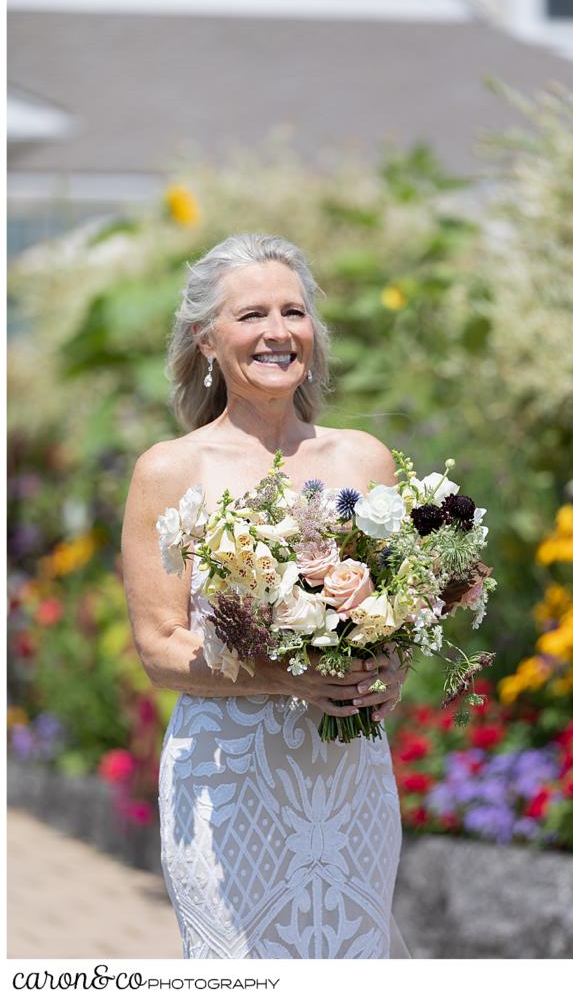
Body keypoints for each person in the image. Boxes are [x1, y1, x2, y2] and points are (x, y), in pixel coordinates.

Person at [121, 232, 412, 959]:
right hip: (228, 781)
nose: (277, 333)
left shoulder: (364, 459)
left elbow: (400, 611)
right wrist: (286, 674)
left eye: (293, 311)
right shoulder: (170, 469)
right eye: (251, 315)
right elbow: (160, 647)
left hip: (347, 780)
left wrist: (387, 671)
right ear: (207, 339)